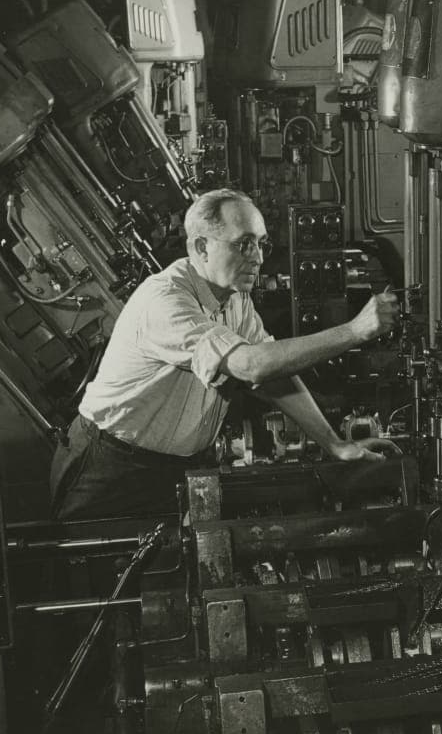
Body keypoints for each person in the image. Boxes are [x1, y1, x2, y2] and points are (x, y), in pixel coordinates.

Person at [49, 188, 401, 520]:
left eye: (261, 244)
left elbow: (273, 374)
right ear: (201, 247)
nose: (259, 258)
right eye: (244, 245)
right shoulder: (165, 300)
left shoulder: (234, 298)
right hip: (110, 470)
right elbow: (252, 367)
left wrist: (334, 444)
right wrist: (355, 331)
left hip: (175, 468)